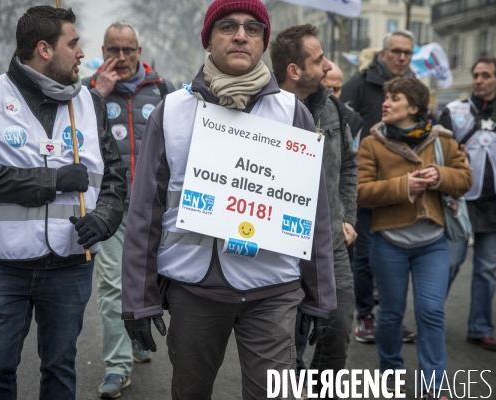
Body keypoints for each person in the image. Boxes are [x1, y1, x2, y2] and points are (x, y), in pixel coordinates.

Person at [121, 1, 337, 398]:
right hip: (193, 290)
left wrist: (321, 298)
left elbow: (316, 214)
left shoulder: (293, 113)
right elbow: (144, 213)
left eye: (253, 29)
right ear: (208, 39)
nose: (241, 35)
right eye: (228, 26)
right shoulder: (172, 111)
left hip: (273, 289)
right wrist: (139, 298)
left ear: (264, 42)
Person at [0, 6, 127, 399]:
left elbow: (115, 177)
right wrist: (51, 180)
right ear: (45, 49)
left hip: (70, 267)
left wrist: (103, 219)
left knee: (60, 370)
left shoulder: (90, 103)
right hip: (2, 267)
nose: (82, 53)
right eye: (74, 43)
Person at [357, 77, 472, 400]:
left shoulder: (443, 140)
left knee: (431, 311)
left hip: (432, 243)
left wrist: (441, 176)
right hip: (388, 243)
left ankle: (434, 385)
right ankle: (390, 374)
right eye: (386, 97)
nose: (386, 103)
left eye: (395, 98)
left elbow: (464, 180)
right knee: (392, 313)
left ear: (415, 108)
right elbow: (362, 192)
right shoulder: (372, 142)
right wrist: (403, 185)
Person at [83, 22, 175, 399]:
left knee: (155, 281)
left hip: (157, 208)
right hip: (112, 206)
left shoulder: (163, 90)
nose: (120, 58)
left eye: (128, 50)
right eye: (113, 50)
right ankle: (117, 368)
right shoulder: (86, 95)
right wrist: (97, 96)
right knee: (111, 286)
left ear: (140, 51)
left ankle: (138, 335)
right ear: (103, 52)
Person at [270, 24, 357, 394]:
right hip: (281, 244)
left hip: (332, 244)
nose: (327, 66)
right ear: (295, 71)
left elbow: (349, 165)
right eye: (318, 60)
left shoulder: (333, 108)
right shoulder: (263, 111)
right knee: (286, 344)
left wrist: (347, 216)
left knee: (337, 333)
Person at [439, 57, 496, 352]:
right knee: (449, 264)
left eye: (485, 75)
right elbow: (439, 158)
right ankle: (432, 320)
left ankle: (480, 328)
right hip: (458, 202)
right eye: (476, 74)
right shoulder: (453, 111)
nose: (478, 80)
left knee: (487, 269)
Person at [341, 30, 417, 343]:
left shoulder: (414, 87)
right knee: (366, 257)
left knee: (394, 258)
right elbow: (340, 123)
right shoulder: (360, 83)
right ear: (383, 53)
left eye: (407, 53)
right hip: (366, 183)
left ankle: (389, 317)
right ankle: (366, 316)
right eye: (396, 51)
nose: (402, 57)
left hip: (401, 188)